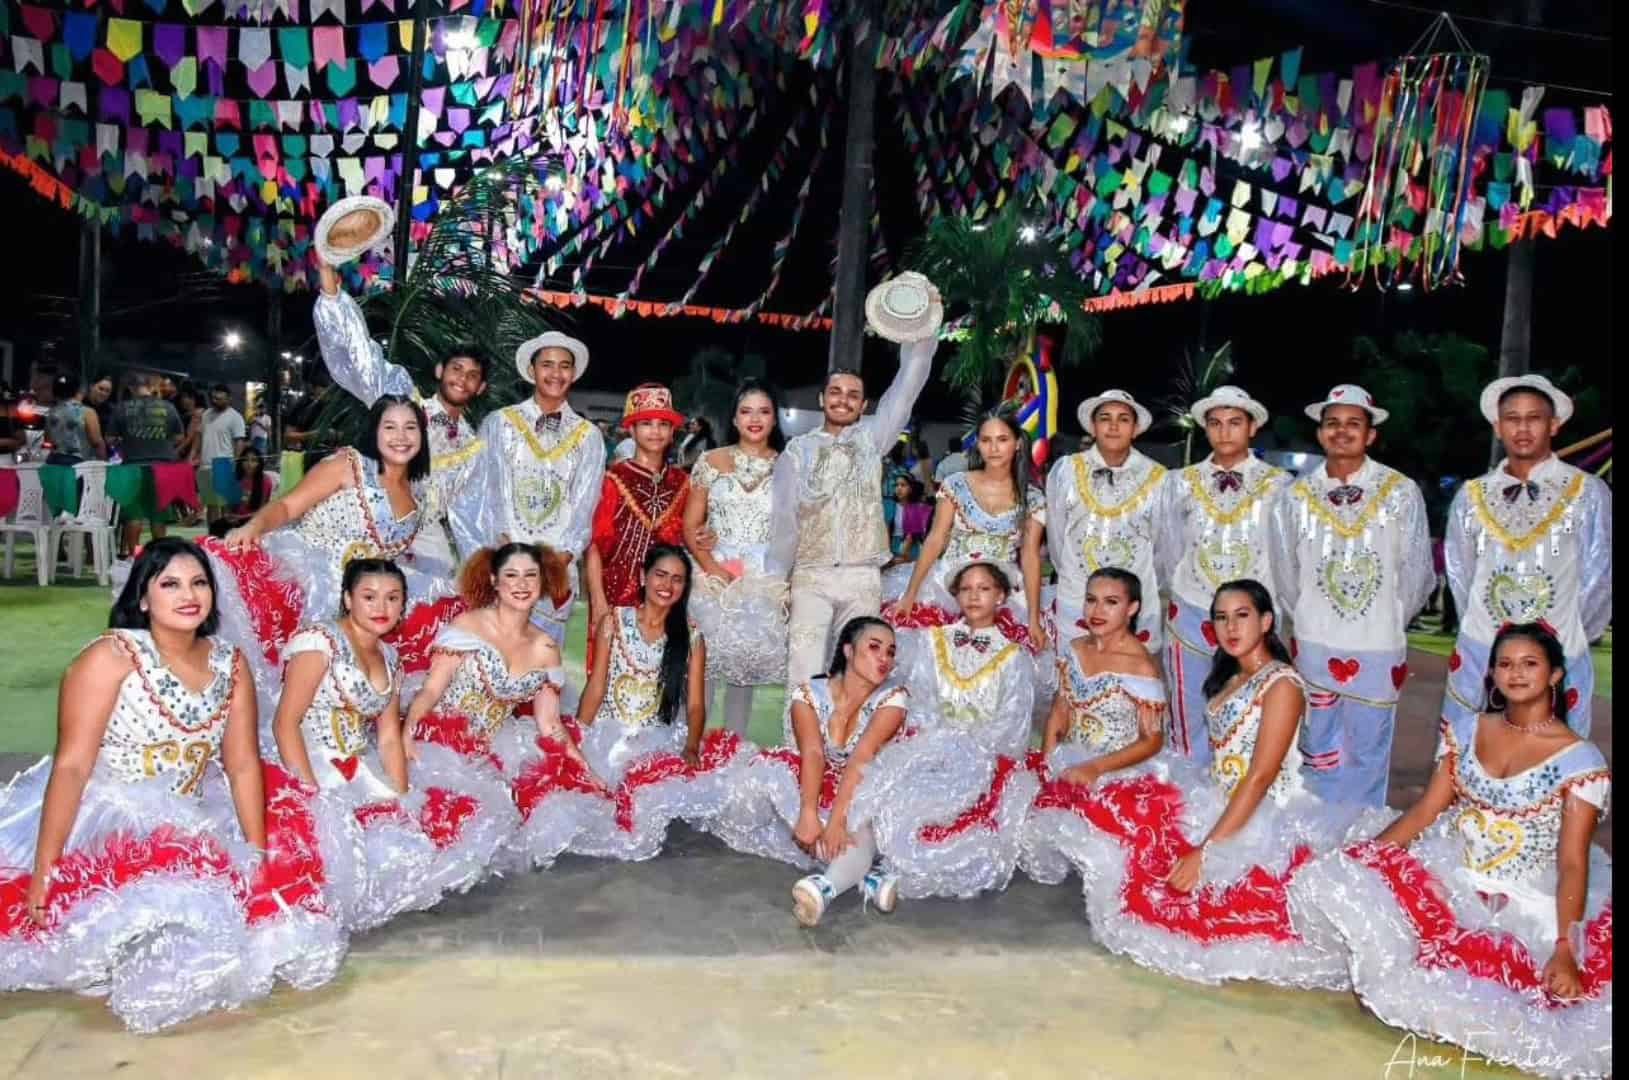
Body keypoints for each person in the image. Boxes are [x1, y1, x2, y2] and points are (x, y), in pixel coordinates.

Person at [0, 539, 344, 1031]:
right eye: (170, 584)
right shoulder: (110, 657)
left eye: (199, 582)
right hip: (107, 820)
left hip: (191, 813)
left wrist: (256, 853)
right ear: (143, 598)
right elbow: (72, 767)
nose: (189, 595)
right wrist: (45, 868)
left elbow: (242, 765)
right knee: (147, 917)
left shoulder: (230, 663)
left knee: (267, 907)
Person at [1289, 623, 1611, 1079]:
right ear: (1491, 674)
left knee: (1517, 1020)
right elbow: (1425, 811)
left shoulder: (1580, 761)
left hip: (1524, 903)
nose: (1516, 673)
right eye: (1505, 664)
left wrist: (1565, 947)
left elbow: (1573, 863)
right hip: (1449, 876)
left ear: (1555, 675)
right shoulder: (1467, 729)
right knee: (1346, 886)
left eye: (1530, 663)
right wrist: (1365, 857)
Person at [1039, 579, 1387, 990]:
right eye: (1221, 618)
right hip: (1219, 801)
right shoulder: (1233, 678)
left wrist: (1206, 851)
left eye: (1242, 616)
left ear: (1267, 622)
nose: (1230, 628)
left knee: (1212, 920)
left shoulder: (1282, 684)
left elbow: (1260, 777)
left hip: (1264, 818)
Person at [210, 395, 459, 699]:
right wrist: (254, 527)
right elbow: (288, 506)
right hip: (300, 583)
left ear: (422, 435)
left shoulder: (417, 498)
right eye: (390, 427)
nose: (400, 437)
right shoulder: (348, 465)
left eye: (410, 428)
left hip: (356, 602)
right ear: (374, 431)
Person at [510, 545, 743, 865]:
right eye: (661, 575)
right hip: (606, 736)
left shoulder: (692, 638)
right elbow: (596, 686)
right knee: (568, 796)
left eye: (677, 579)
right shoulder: (614, 621)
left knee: (658, 803)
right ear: (643, 577)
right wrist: (578, 735)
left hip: (654, 743)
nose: (667, 585)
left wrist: (691, 747)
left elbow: (695, 706)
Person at [1269, 385, 1433, 808]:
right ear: (1320, 432)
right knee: (1314, 746)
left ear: (1371, 434)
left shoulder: (1400, 491)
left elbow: (1417, 572)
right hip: (1314, 641)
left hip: (1377, 645)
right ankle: (1311, 833)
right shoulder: (1293, 497)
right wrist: (1310, 615)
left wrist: (1387, 618)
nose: (1342, 431)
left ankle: (1360, 834)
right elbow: (1284, 573)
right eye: (1333, 423)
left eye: (1353, 424)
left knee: (1368, 751)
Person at [403, 544, 606, 872]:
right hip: (442, 744)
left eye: (530, 575)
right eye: (511, 575)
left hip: (496, 748)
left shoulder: (545, 647)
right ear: (494, 581)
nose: (521, 584)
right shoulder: (468, 626)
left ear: (542, 582)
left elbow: (550, 724)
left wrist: (586, 770)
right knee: (452, 826)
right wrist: (409, 729)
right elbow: (430, 690)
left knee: (548, 804)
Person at [707, 617, 910, 926]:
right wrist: (808, 812)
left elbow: (861, 758)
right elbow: (813, 753)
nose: (884, 658)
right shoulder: (808, 694)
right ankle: (865, 875)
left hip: (872, 781)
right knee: (778, 785)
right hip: (823, 776)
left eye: (890, 652)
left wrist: (838, 820)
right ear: (848, 651)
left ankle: (823, 888)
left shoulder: (894, 698)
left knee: (858, 823)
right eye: (874, 647)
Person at [1441, 374, 1612, 740]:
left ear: (1554, 425)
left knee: (1549, 751)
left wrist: (1564, 636)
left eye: (1534, 418)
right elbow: (1460, 572)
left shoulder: (1587, 492)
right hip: (1480, 646)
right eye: (1512, 418)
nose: (1522, 428)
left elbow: (1601, 573)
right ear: (1497, 426)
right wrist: (1482, 627)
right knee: (1468, 748)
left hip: (1560, 646)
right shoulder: (1472, 495)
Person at [768, 333, 939, 686]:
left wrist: (923, 332)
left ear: (864, 406)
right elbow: (784, 522)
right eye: (835, 392)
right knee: (804, 675)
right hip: (810, 576)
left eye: (852, 395)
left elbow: (906, 388)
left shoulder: (873, 439)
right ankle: (801, 726)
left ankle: (847, 727)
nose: (843, 400)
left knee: (857, 675)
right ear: (822, 399)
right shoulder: (797, 452)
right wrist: (776, 581)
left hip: (863, 576)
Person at [314, 262, 489, 564]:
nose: (462, 379)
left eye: (472, 375)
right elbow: (362, 356)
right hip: (372, 524)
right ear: (440, 371)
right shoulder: (404, 401)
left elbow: (472, 512)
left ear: (481, 387)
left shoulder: (473, 446)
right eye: (457, 369)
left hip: (425, 542)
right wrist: (331, 292)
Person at [885, 562, 1040, 899]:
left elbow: (1012, 721)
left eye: (984, 588)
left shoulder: (1013, 656)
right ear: (955, 595)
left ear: (1001, 596)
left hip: (984, 760)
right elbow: (921, 697)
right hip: (933, 748)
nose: (974, 596)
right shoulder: (933, 641)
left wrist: (971, 754)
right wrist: (937, 744)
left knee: (968, 838)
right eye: (966, 589)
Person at [1157, 386, 1288, 766]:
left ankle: (1242, 793)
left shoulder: (1279, 485)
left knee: (1251, 712)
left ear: (1252, 427)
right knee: (1187, 714)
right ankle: (1187, 794)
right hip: (1193, 611)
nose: (1224, 431)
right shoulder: (1179, 482)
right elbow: (1167, 549)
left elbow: (1284, 556)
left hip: (1251, 617)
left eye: (1234, 422)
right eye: (1215, 423)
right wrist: (1186, 591)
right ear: (1205, 428)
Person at [449, 331, 605, 644]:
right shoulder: (499, 423)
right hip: (501, 569)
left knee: (541, 663)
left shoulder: (589, 436)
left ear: (573, 373)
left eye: (564, 366)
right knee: (491, 659)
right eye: (547, 364)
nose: (556, 373)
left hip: (553, 577)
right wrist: (501, 555)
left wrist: (557, 563)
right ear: (532, 370)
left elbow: (585, 507)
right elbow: (475, 495)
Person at [1020, 567, 1167, 885]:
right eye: (1091, 600)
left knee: (1106, 861)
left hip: (1116, 770)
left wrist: (1094, 768)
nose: (1097, 611)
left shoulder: (1141, 666)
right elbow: (1060, 710)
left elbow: (1152, 741)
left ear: (1132, 608)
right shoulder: (1074, 648)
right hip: (1069, 760)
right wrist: (1047, 765)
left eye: (1111, 602)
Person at [887, 410, 1047, 646]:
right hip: (946, 589)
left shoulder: (1033, 498)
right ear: (978, 445)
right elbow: (935, 539)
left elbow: (1030, 556)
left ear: (1018, 444)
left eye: (1002, 439)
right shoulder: (956, 484)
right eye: (986, 440)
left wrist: (1033, 619)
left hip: (1004, 596)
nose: (994, 448)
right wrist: (911, 593)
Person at [683, 378, 788, 735]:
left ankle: (733, 751)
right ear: (734, 418)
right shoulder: (710, 461)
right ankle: (691, 746)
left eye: (764, 411)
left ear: (774, 419)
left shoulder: (789, 467)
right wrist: (713, 569)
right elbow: (690, 525)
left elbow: (793, 529)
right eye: (746, 411)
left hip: (763, 579)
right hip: (711, 574)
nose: (754, 419)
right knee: (703, 667)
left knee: (745, 669)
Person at [1045, 389, 1168, 658]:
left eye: (1123, 419)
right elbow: (1056, 537)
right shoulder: (1066, 470)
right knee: (1076, 670)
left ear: (1135, 429)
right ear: (1092, 426)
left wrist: (1137, 586)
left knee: (1131, 674)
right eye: (1105, 418)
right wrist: (1074, 575)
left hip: (1134, 600)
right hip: (1077, 595)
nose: (1113, 426)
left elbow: (1163, 549)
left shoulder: (1158, 478)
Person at [584, 384, 690, 668]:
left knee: (661, 674)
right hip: (616, 593)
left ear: (672, 431)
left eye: (663, 424)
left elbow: (690, 536)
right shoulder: (613, 479)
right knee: (609, 672)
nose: (655, 431)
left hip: (665, 595)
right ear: (631, 429)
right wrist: (598, 602)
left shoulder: (683, 482)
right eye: (646, 423)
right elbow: (594, 546)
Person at [109, 371, 185, 553]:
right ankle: (159, 556)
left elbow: (110, 438)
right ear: (151, 387)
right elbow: (179, 436)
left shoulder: (121, 408)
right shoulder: (168, 407)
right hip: (162, 468)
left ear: (131, 388)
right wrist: (162, 444)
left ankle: (134, 557)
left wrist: (125, 446)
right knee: (158, 516)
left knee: (133, 516)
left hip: (132, 467)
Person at [199, 384, 248, 525]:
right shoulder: (206, 414)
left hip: (224, 463)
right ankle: (213, 533)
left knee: (225, 504)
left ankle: (225, 533)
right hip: (205, 463)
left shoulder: (235, 417)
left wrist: (236, 462)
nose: (215, 401)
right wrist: (194, 455)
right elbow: (200, 436)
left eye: (219, 399)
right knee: (211, 504)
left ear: (229, 399)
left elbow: (239, 441)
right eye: (213, 398)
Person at [208, 445, 275, 537]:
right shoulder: (234, 479)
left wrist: (241, 517)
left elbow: (262, 511)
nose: (249, 464)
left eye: (254, 460)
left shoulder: (265, 481)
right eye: (246, 460)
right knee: (216, 526)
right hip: (236, 519)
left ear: (259, 463)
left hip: (254, 520)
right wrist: (229, 516)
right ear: (241, 462)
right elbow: (228, 506)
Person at [43, 374, 105, 465]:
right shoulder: (87, 412)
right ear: (79, 391)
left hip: (54, 463)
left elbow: (47, 439)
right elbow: (96, 442)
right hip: (78, 465)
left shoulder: (50, 413)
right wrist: (104, 463)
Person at [882, 475, 932, 564]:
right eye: (896, 485)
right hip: (890, 547)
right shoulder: (888, 505)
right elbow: (885, 532)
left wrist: (899, 557)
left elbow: (910, 538)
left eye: (903, 485)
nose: (899, 488)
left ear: (910, 488)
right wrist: (887, 556)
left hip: (910, 550)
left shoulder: (917, 508)